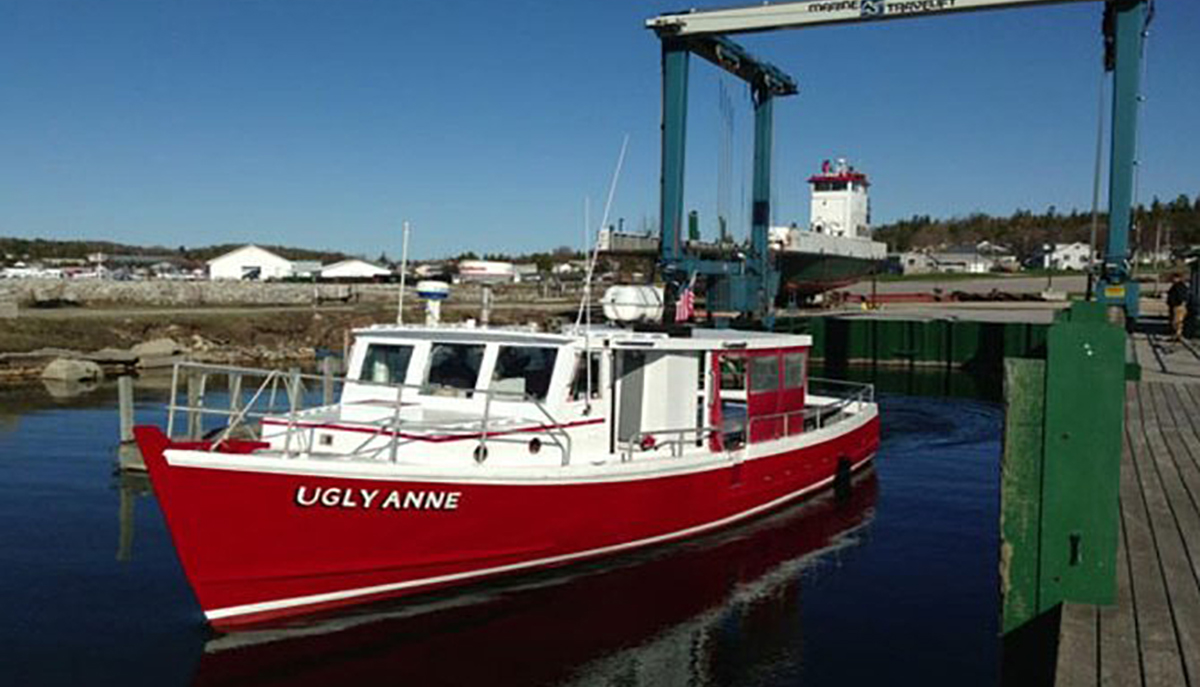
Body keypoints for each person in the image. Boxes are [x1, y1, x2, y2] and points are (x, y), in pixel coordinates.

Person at [1166, 273, 1189, 342]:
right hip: (1174, 306)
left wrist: (1182, 304)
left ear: (1178, 278)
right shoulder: (1175, 286)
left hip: (1178, 306)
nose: (1173, 279)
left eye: (1174, 278)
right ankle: (1175, 335)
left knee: (1177, 322)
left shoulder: (1180, 286)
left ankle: (1177, 336)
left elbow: (1182, 296)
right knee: (1174, 321)